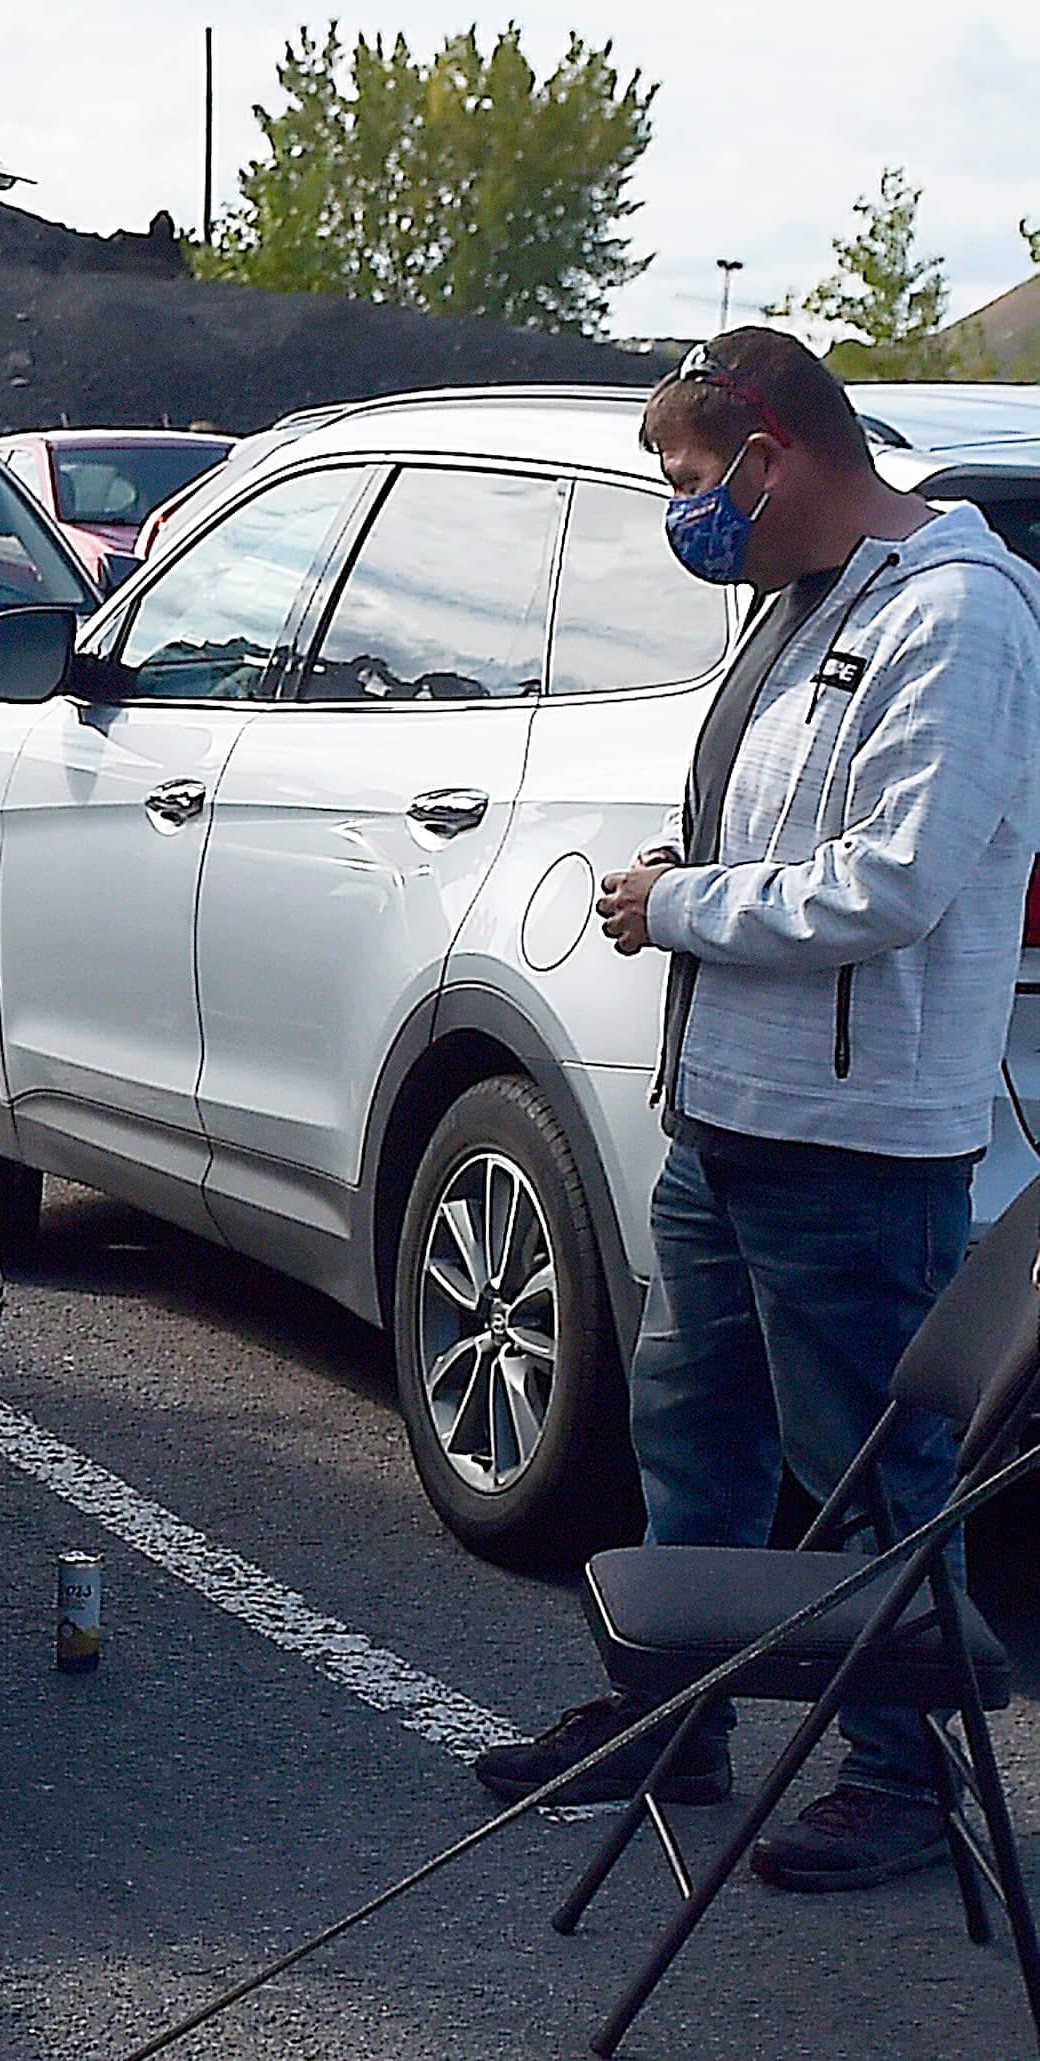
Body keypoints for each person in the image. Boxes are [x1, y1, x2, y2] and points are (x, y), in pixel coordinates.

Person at [472, 329, 1040, 1891]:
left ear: (774, 449)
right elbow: (787, 818)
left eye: (692, 478)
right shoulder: (798, 600)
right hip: (728, 1116)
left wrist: (684, 901)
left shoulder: (959, 616)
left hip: (855, 1144)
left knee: (867, 1467)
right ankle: (674, 1720)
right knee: (692, 1440)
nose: (688, 515)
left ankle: (902, 1784)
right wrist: (691, 867)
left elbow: (897, 881)